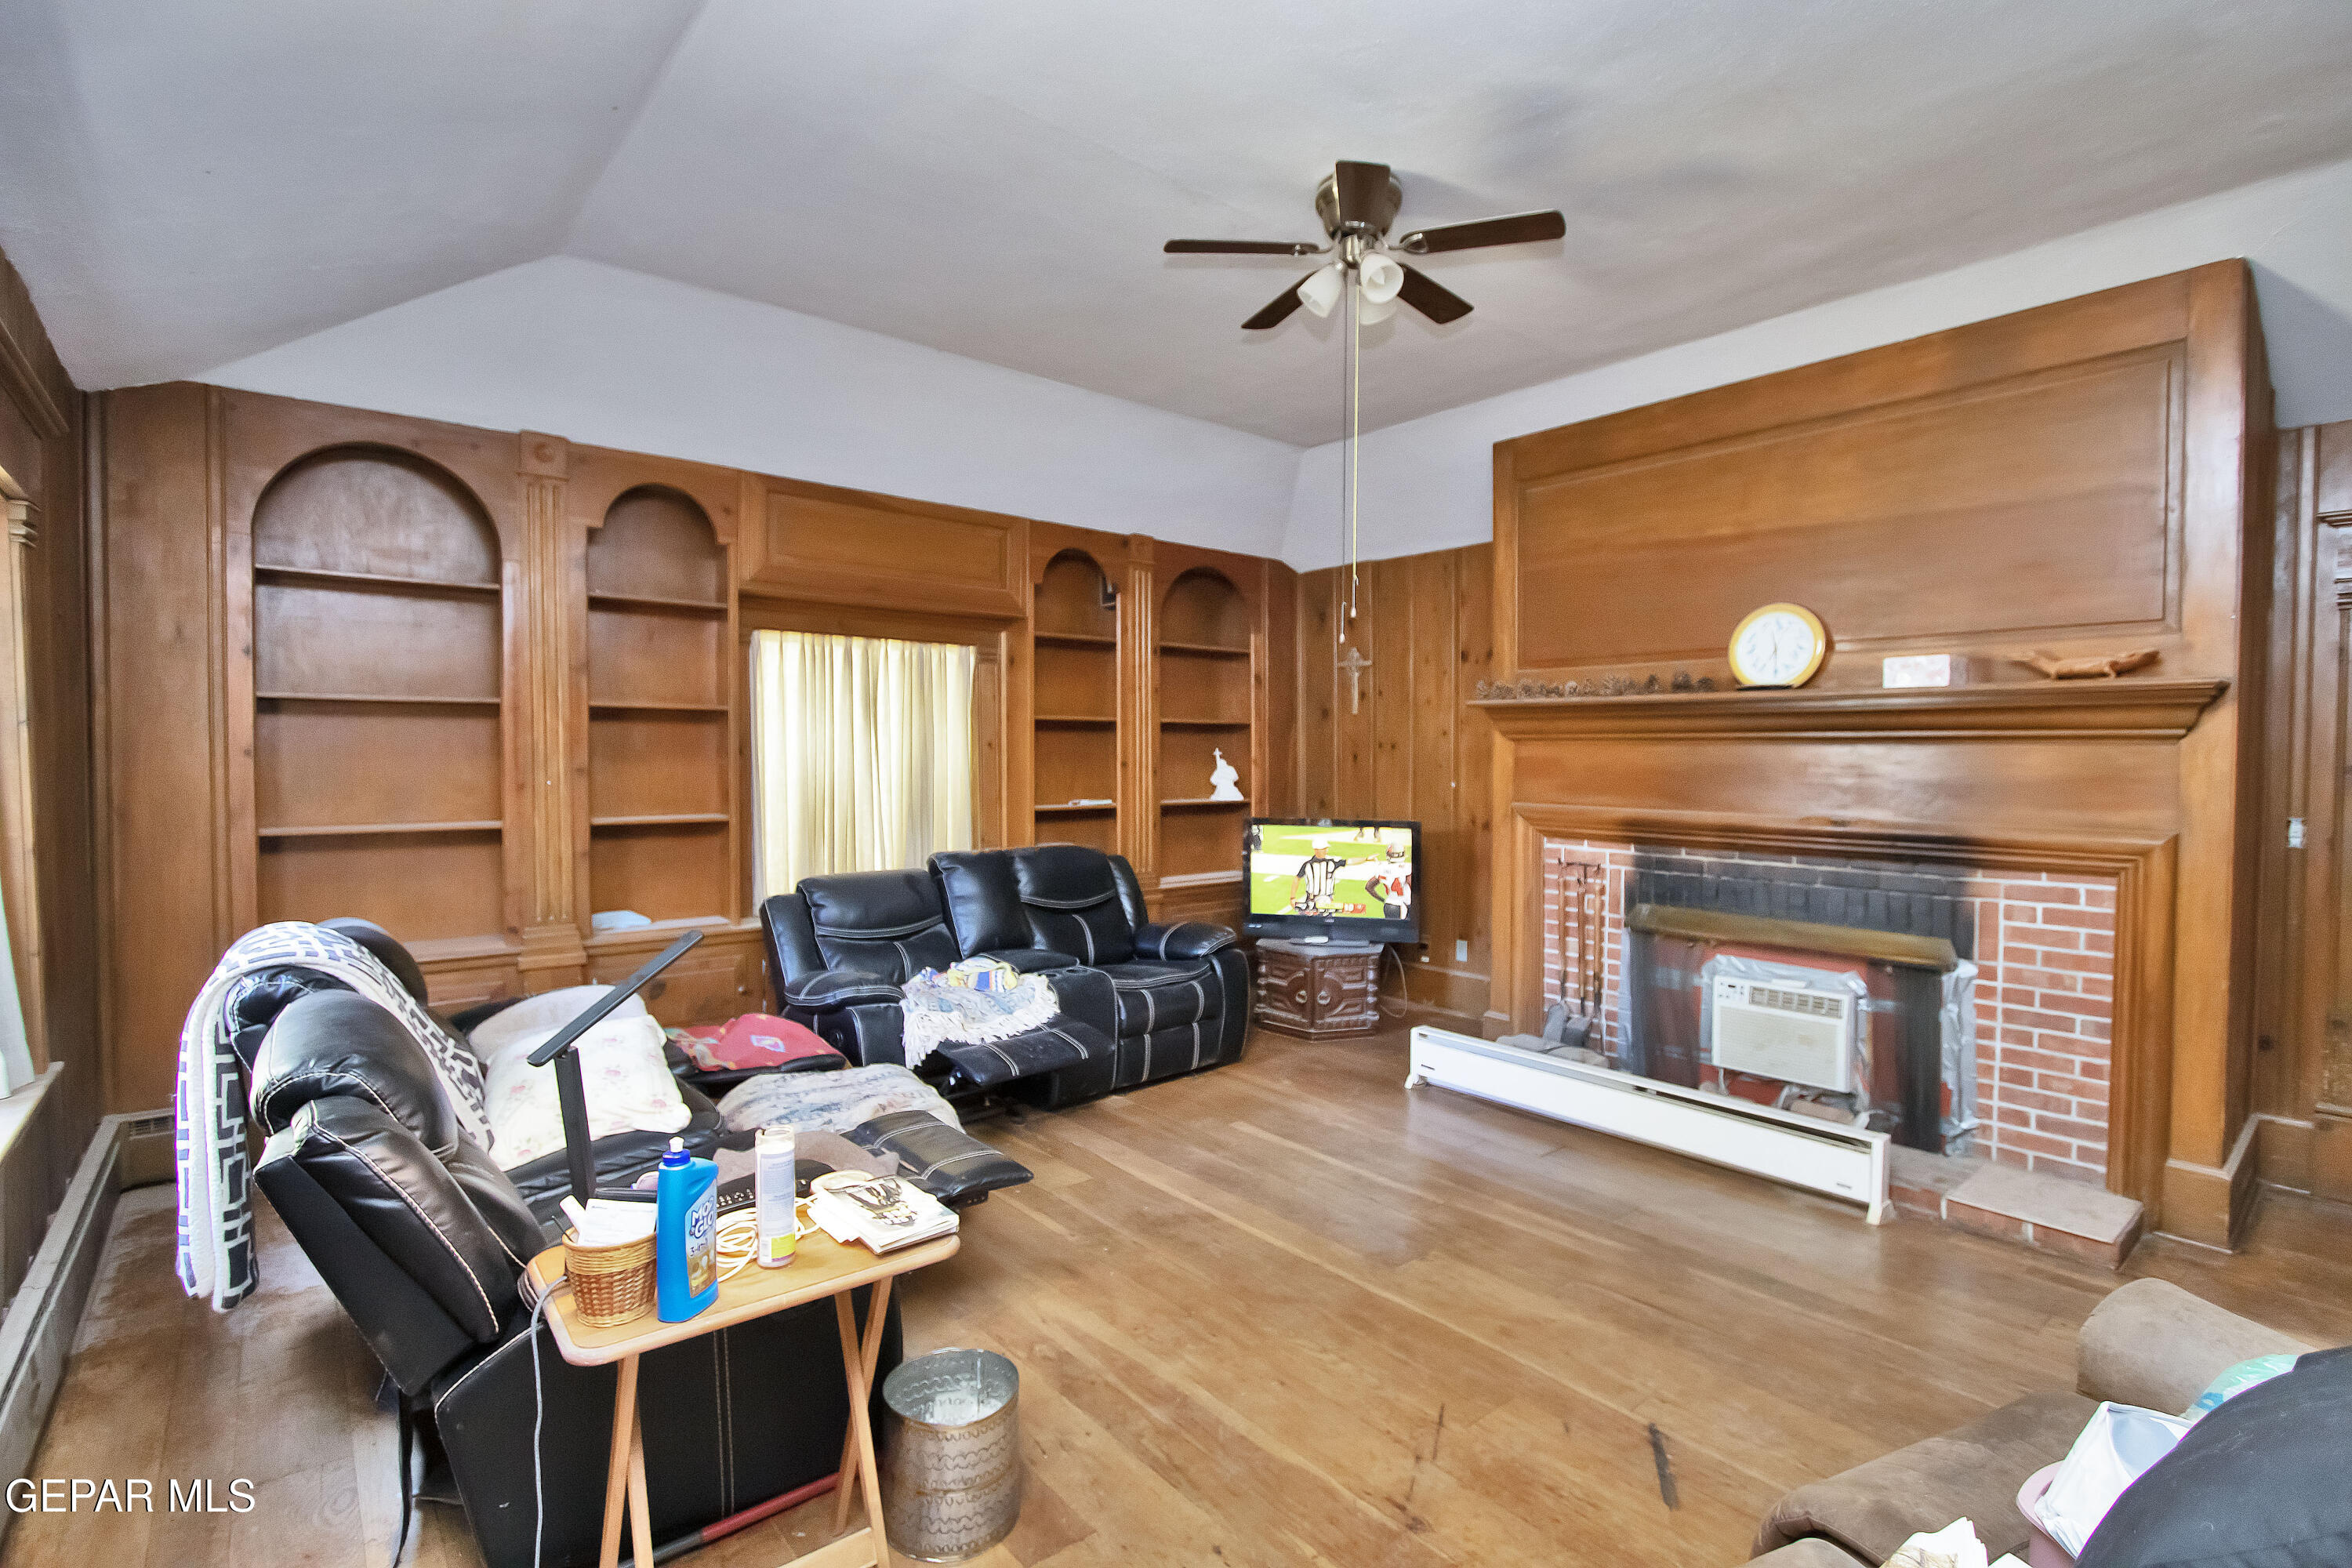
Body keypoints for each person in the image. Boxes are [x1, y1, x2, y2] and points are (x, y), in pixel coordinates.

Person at [1364, 831, 1414, 922]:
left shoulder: (1382, 868)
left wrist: (1382, 900)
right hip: (1403, 906)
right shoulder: (1407, 869)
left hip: (1388, 905)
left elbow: (1368, 887)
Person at [1293, 837, 1345, 913]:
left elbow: (1349, 861)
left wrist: (1366, 859)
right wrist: (1292, 898)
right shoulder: (1308, 865)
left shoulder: (1332, 863)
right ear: (1317, 850)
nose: (1326, 851)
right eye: (1324, 849)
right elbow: (1297, 879)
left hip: (1327, 900)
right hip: (1311, 900)